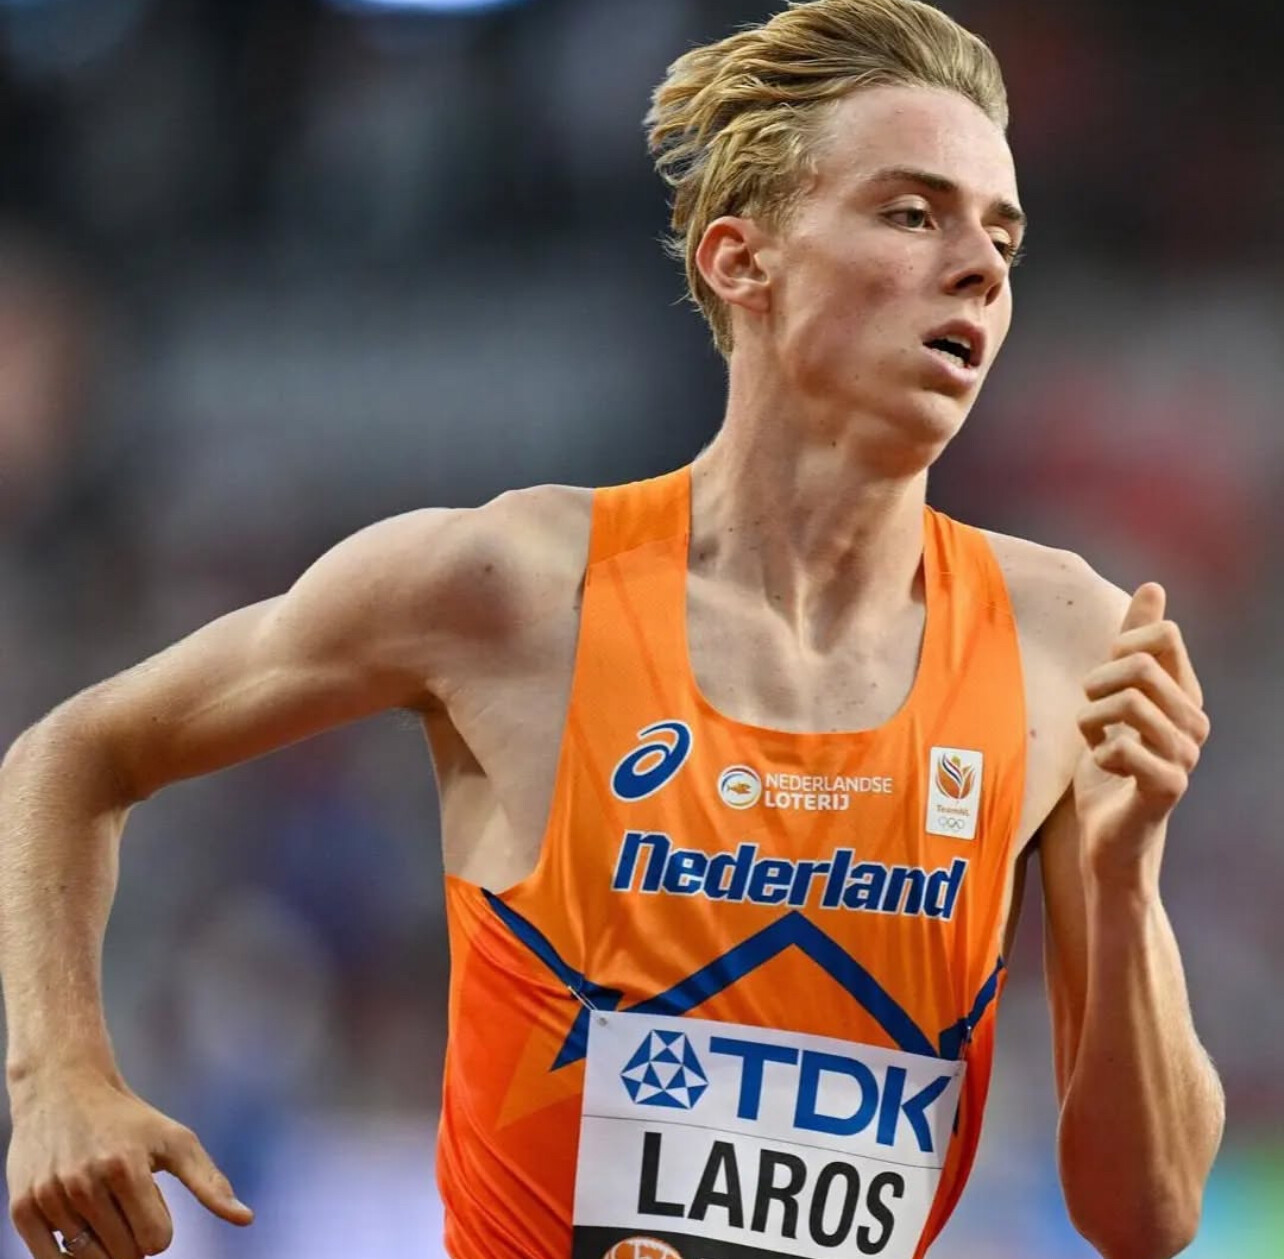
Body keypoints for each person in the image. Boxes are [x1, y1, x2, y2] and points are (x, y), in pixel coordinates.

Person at [1, 1, 1224, 1257]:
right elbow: (69, 757)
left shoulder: (1063, 640)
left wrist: (1123, 879)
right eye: (914, 214)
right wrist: (58, 1076)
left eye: (1002, 235)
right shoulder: (516, 588)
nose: (980, 267)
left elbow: (1148, 1215)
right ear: (741, 260)